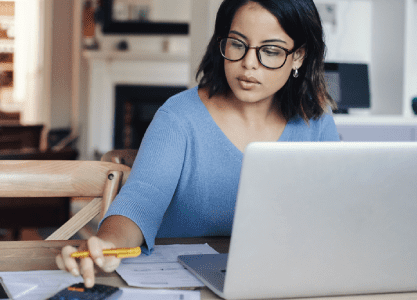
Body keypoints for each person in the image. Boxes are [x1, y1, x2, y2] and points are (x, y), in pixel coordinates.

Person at [56, 0, 339, 287]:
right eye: (237, 44)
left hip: (279, 283)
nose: (249, 63)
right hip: (181, 287)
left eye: (271, 50)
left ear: (299, 56)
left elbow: (334, 213)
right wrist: (106, 243)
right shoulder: (178, 117)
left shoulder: (315, 120)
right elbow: (140, 200)